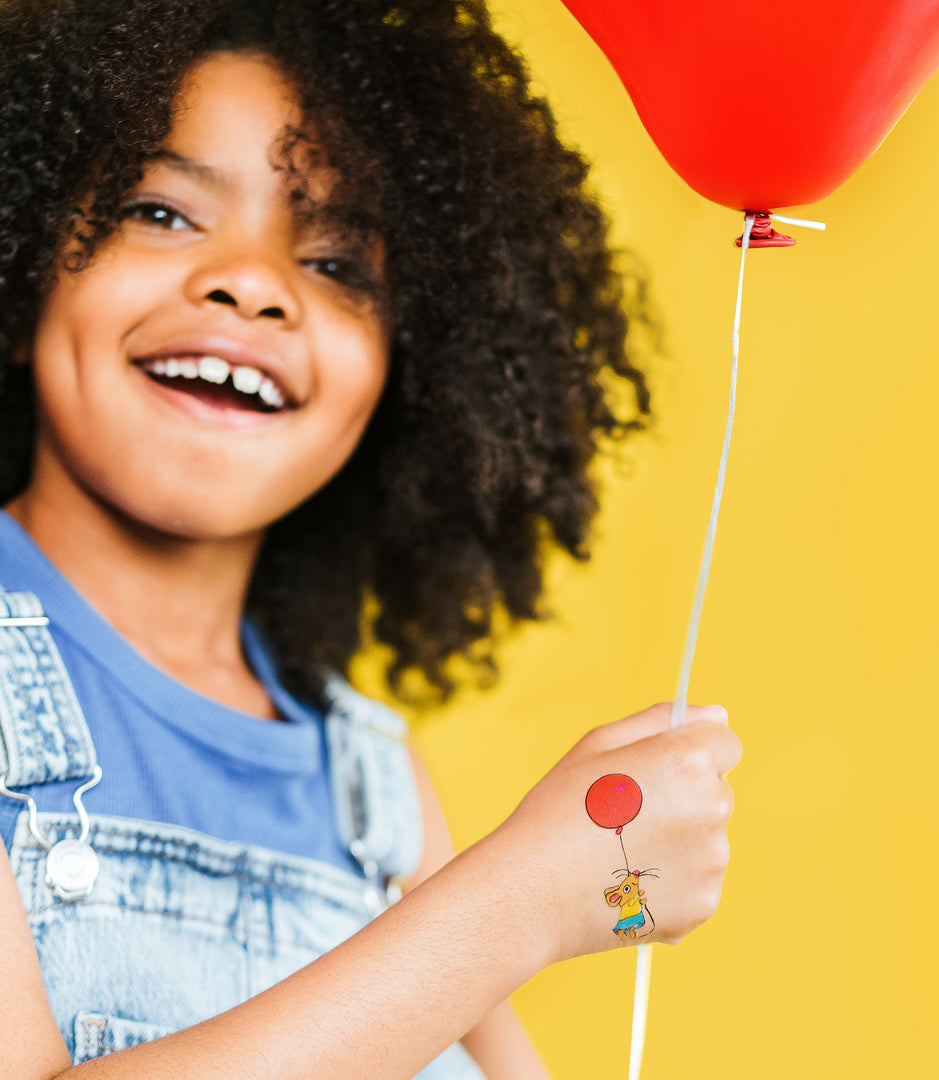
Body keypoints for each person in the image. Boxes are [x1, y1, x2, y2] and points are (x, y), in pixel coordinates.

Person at [0, 1, 742, 1077]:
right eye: (160, 212)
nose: (250, 284)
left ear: (410, 375)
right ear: (19, 270)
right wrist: (525, 897)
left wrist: (609, 880)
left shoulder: (374, 784)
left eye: (340, 264)